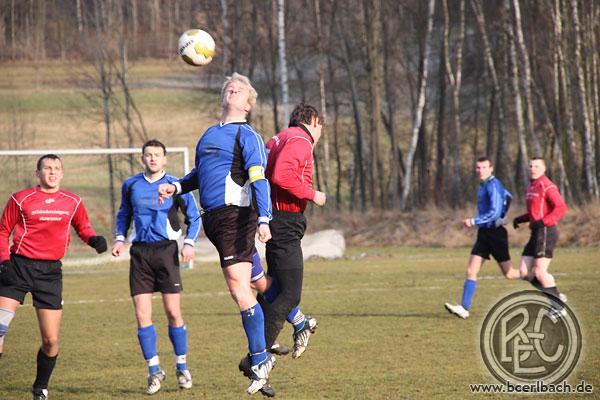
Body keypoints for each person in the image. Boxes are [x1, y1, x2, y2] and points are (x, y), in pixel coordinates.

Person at [157, 72, 275, 395]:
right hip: (215, 221)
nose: (232, 90)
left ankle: (261, 359)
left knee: (240, 290)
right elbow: (200, 174)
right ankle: (289, 316)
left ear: (247, 104)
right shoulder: (209, 135)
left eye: (239, 90)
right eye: (229, 88)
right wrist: (176, 186)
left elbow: (259, 180)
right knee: (253, 283)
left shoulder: (248, 135)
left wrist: (265, 218)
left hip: (236, 217)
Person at [0, 154, 107, 400]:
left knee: (50, 340)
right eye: (47, 168)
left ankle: (40, 387)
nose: (52, 172)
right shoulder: (21, 198)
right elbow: (3, 231)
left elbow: (83, 227)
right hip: (18, 267)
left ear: (62, 173)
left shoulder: (73, 201)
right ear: (37, 173)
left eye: (56, 168)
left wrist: (93, 239)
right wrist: (4, 262)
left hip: (50, 274)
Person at [111, 140, 201, 395]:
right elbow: (123, 215)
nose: (152, 158)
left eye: (157, 155)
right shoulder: (131, 185)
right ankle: (154, 371)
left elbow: (194, 217)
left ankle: (182, 367)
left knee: (173, 312)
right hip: (140, 255)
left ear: (165, 159)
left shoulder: (176, 185)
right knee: (142, 316)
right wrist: (120, 239)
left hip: (166, 253)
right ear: (142, 158)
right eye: (148, 155)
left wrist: (189, 244)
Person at [260, 102, 325, 361]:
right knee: (290, 294)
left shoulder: (277, 139)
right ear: (314, 121)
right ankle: (259, 355)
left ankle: (297, 325)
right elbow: (281, 176)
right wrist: (313, 194)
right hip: (286, 220)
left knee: (273, 288)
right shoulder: (300, 140)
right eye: (320, 128)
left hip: (273, 218)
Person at [444, 157, 519, 319]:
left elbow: (495, 212)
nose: (480, 171)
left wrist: (474, 221)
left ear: (491, 169)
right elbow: (509, 196)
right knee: (471, 270)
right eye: (478, 168)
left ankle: (545, 283)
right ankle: (464, 308)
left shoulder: (493, 184)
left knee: (510, 274)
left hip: (496, 234)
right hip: (484, 234)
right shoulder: (483, 185)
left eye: (484, 167)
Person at [513, 157, 568, 320]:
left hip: (546, 231)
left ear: (544, 169)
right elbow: (535, 212)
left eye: (537, 166)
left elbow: (561, 208)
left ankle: (558, 307)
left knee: (539, 271)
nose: (533, 169)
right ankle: (556, 295)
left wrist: (544, 222)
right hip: (536, 232)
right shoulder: (531, 186)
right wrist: (521, 219)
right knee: (524, 272)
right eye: (530, 166)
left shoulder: (547, 185)